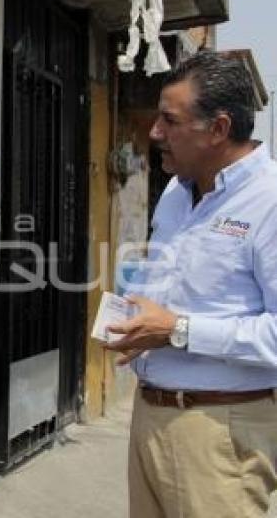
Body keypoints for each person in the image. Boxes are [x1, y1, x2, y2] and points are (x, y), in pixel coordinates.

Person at [106, 51, 277, 518]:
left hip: (218, 430)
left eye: (169, 120)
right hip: (150, 418)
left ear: (218, 129)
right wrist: (135, 320)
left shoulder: (268, 202)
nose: (155, 132)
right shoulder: (177, 196)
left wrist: (178, 329)